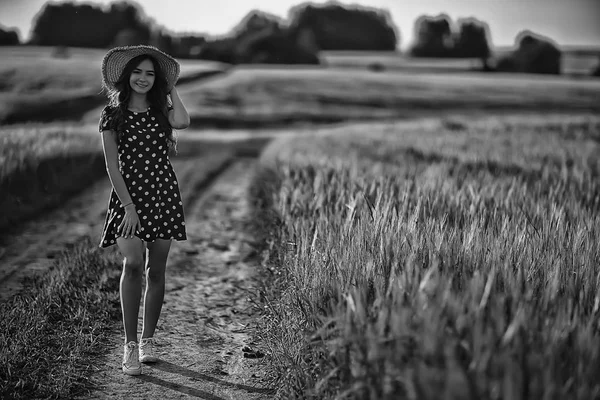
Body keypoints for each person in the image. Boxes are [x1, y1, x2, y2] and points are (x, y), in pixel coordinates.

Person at [98, 45, 190, 375]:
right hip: (128, 198)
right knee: (134, 263)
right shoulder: (113, 114)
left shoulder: (161, 110)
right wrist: (129, 208)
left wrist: (170, 86)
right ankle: (130, 346)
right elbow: (112, 166)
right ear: (126, 76)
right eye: (137, 72)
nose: (143, 78)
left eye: (151, 74)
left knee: (157, 270)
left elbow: (182, 120)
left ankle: (149, 340)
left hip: (163, 195)